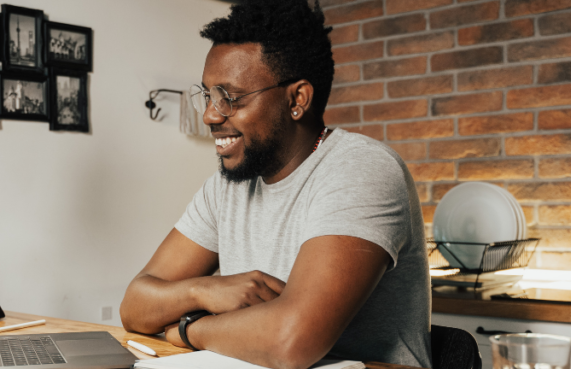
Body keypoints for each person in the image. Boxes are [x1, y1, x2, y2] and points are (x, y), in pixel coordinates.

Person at [119, 0, 432, 368]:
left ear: (297, 99)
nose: (209, 114)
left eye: (229, 98)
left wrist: (191, 328)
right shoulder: (226, 187)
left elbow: (291, 340)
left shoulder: (361, 170)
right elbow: (135, 306)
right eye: (207, 95)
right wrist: (206, 289)